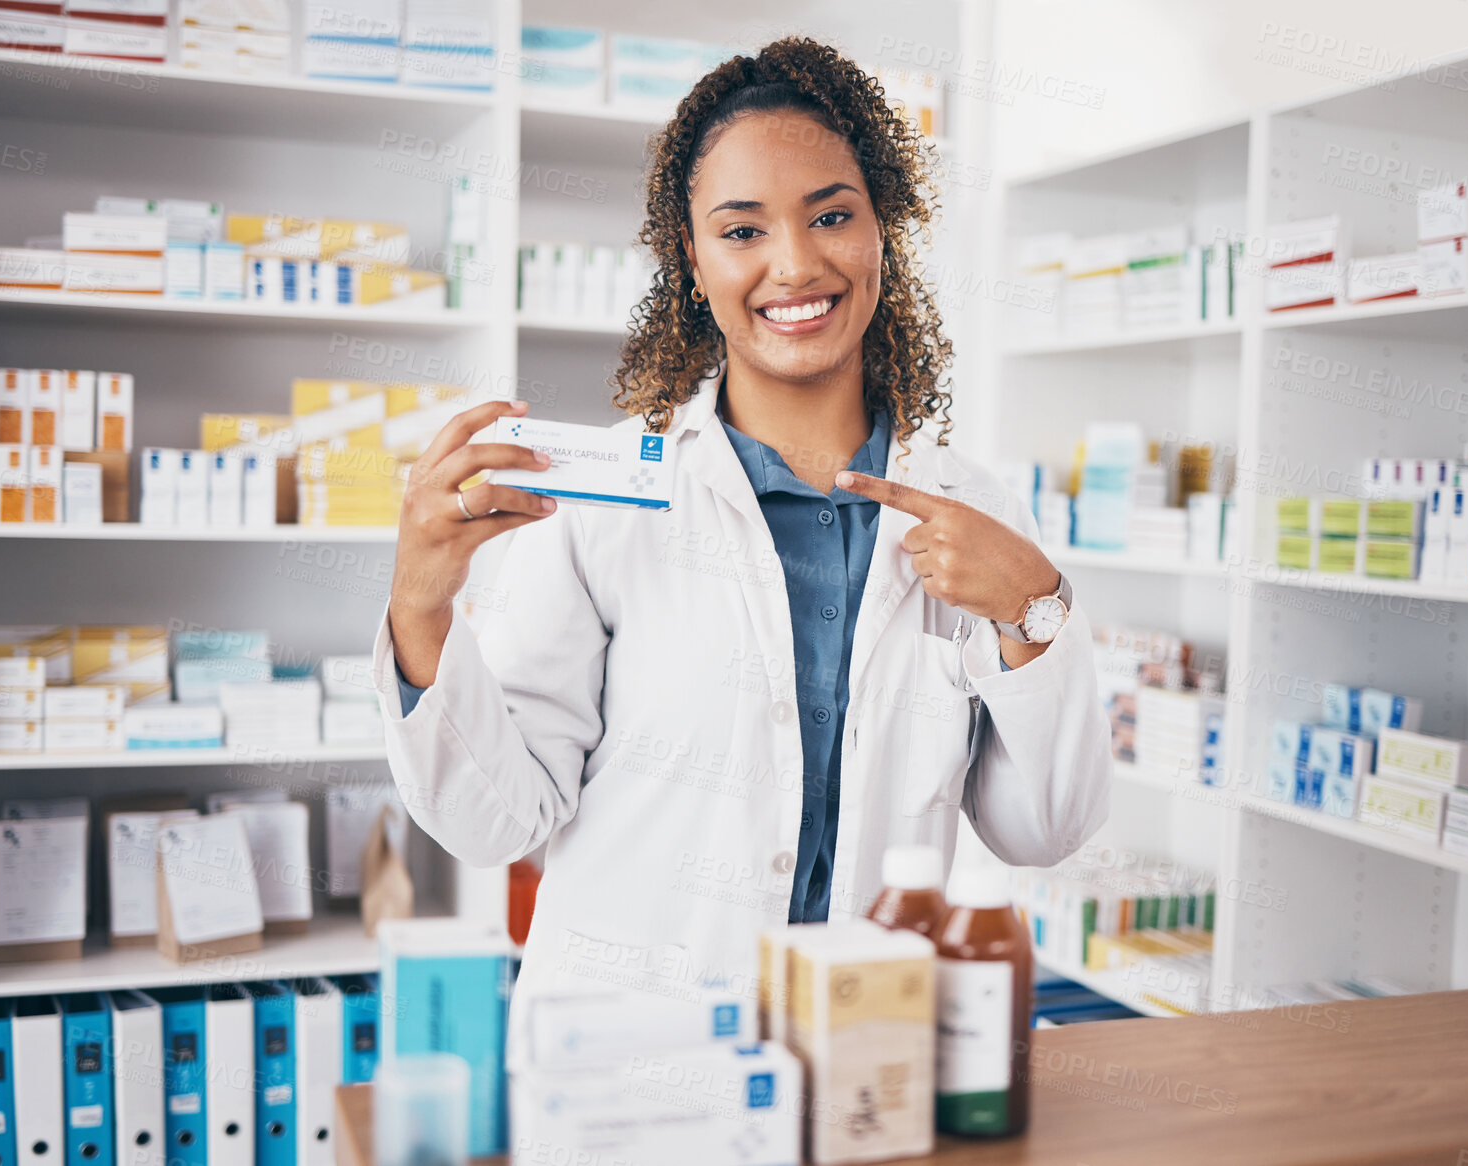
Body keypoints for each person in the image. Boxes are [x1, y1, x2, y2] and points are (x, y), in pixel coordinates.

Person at [377, 36, 1109, 1010]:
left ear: (881, 228)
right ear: (692, 256)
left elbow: (1040, 830)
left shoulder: (975, 514)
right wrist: (422, 607)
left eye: (832, 215)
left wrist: (1034, 608)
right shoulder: (607, 508)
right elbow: (499, 818)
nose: (795, 264)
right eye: (742, 230)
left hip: (869, 1054)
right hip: (639, 1066)